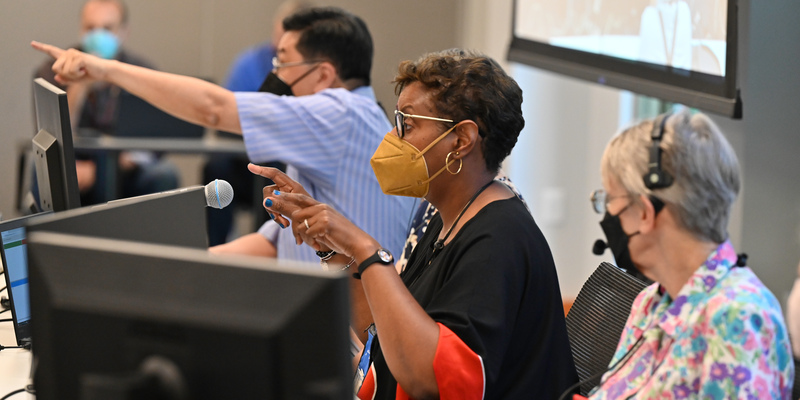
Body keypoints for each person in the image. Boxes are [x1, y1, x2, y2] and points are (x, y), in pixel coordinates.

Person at [252, 49, 578, 399]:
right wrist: (334, 248)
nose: (394, 138)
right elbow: (388, 339)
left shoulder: (498, 239)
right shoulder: (445, 218)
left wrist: (366, 250)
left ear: (461, 140)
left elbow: (432, 381)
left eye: (407, 124)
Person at [33, 6, 415, 263]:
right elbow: (275, 242)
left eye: (283, 61)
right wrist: (191, 266)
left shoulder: (340, 114)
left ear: (324, 75)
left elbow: (212, 109)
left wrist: (106, 70)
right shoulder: (342, 120)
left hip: (354, 344)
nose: (274, 72)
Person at [587, 111, 793, 399]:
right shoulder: (651, 302)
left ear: (645, 212)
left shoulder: (737, 319)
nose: (607, 213)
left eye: (610, 199)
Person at [34, 0, 179, 205]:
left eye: (107, 28)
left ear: (123, 32)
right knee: (38, 167)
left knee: (164, 173)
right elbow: (48, 135)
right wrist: (81, 84)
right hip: (71, 169)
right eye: (91, 28)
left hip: (125, 171)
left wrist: (105, 168)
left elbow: (155, 143)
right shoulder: (55, 69)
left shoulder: (142, 72)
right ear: (80, 30)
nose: (98, 35)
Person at [204, 0, 312, 246]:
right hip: (245, 158)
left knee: (276, 170)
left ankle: (270, 243)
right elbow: (226, 118)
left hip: (286, 162)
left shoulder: (312, 77)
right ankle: (216, 245)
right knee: (216, 167)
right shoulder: (250, 62)